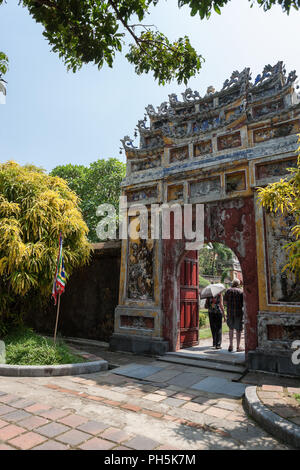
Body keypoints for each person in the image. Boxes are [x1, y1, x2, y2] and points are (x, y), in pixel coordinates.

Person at [224, 279, 244, 352]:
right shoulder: (241, 291)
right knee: (238, 330)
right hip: (238, 313)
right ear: (238, 284)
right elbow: (243, 303)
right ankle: (238, 347)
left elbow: (225, 303)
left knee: (231, 329)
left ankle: (230, 345)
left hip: (230, 313)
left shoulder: (227, 291)